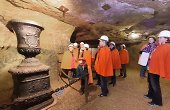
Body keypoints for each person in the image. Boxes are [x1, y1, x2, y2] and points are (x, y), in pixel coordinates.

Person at [146, 30, 170, 106]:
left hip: (156, 70)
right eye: (159, 38)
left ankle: (157, 102)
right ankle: (154, 98)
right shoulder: (161, 46)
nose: (159, 39)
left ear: (166, 39)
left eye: (161, 38)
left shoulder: (167, 47)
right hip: (153, 69)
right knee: (153, 85)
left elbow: (164, 59)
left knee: (155, 86)